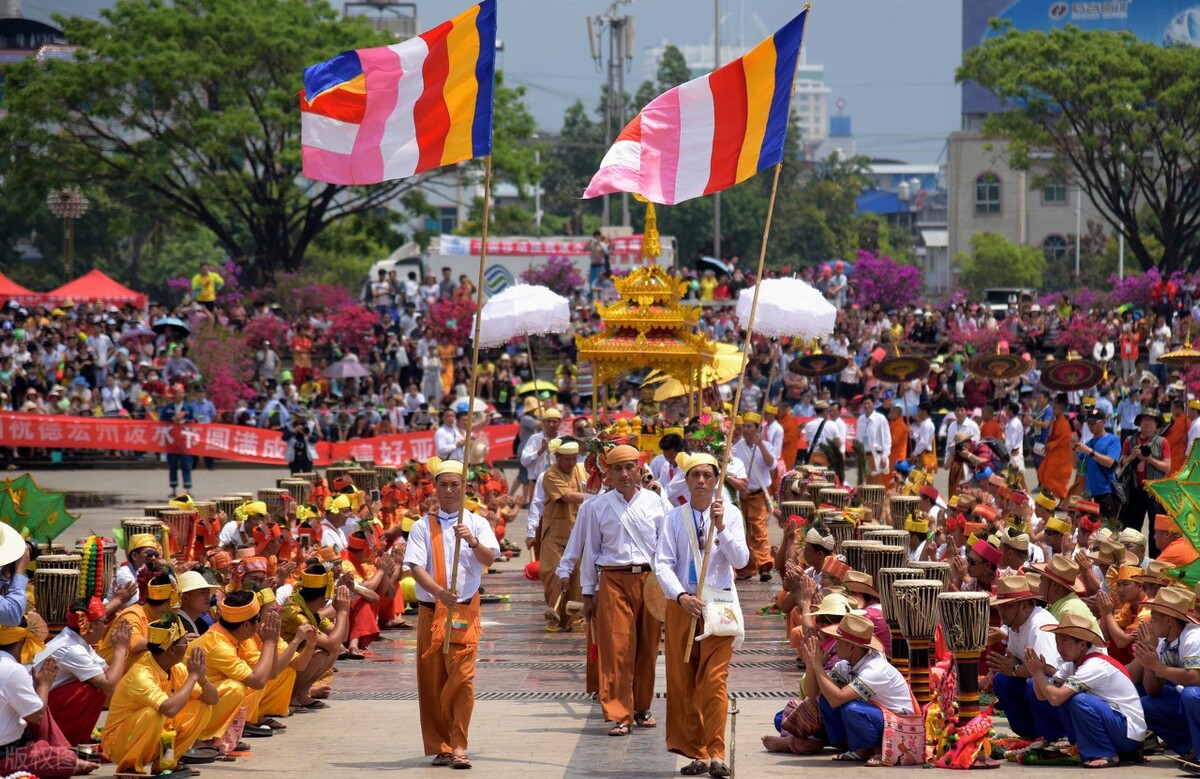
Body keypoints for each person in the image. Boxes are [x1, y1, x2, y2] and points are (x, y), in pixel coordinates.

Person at [655, 452, 749, 777]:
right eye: (696, 475)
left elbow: (740, 560)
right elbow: (663, 563)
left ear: (716, 480)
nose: (702, 481)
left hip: (718, 608)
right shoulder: (673, 518)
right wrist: (680, 595)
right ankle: (697, 752)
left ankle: (718, 753)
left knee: (714, 682)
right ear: (687, 479)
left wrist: (721, 527)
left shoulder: (731, 514)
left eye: (708, 475)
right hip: (683, 606)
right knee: (683, 684)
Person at [403, 457, 499, 770]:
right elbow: (415, 567)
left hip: (463, 612)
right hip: (432, 611)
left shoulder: (477, 522)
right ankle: (441, 745)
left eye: (454, 485)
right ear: (435, 487)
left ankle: (459, 745)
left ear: (464, 487)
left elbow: (490, 558)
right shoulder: (422, 526)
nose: (448, 490)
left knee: (463, 679)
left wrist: (470, 541)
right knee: (432, 681)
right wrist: (439, 592)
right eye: (443, 484)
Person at [579, 444, 668, 736]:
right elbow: (590, 550)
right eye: (617, 468)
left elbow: (667, 550)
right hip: (613, 579)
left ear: (640, 469)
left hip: (649, 580)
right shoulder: (597, 506)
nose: (624, 474)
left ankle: (641, 707)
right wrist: (587, 592)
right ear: (608, 473)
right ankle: (618, 713)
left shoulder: (657, 504)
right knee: (616, 647)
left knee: (647, 647)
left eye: (629, 467)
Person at [102, 613, 217, 776]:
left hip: (156, 735)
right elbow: (169, 709)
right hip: (119, 743)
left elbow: (213, 699)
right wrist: (193, 677)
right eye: (185, 643)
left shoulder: (176, 668)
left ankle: (165, 763)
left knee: (203, 706)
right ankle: (129, 769)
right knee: (153, 714)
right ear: (171, 649)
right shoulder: (141, 675)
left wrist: (202, 678)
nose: (188, 646)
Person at [1028, 613, 1146, 768]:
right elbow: (1043, 696)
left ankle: (1105, 753)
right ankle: (1081, 744)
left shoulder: (1094, 665)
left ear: (1082, 644)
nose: (1060, 648)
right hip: (1113, 724)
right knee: (1060, 693)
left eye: (1065, 643)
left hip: (1127, 733)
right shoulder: (1070, 665)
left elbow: (1055, 698)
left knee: (1079, 700)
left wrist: (1038, 674)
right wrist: (1038, 674)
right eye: (1058, 642)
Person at [799, 612, 916, 763]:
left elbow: (837, 699)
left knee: (852, 709)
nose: (835, 644)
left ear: (852, 647)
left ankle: (874, 749)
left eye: (839, 641)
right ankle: (854, 746)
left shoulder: (875, 669)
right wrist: (811, 665)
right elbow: (812, 692)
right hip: (878, 717)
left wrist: (818, 667)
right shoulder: (846, 665)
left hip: (898, 725)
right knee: (825, 701)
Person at [0, 620, 97, 778]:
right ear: (23, 641)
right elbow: (36, 716)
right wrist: (44, 685)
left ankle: (61, 751)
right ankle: (67, 757)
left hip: (14, 744)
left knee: (38, 705)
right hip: (6, 758)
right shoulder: (12, 669)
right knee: (64, 760)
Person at [185, 590, 281, 749]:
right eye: (258, 619)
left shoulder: (237, 637)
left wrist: (273, 642)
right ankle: (199, 738)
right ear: (246, 624)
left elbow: (271, 673)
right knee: (236, 688)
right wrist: (269, 643)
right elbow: (258, 681)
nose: (261, 623)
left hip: (203, 698)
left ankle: (221, 734)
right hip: (187, 706)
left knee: (250, 679)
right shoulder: (218, 644)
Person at [33, 597, 130, 746]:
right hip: (33, 715)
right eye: (104, 622)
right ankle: (64, 741)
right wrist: (120, 649)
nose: (107, 625)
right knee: (91, 690)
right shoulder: (72, 649)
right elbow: (108, 686)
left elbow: (108, 672)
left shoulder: (78, 641)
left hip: (44, 705)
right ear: (90, 626)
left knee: (96, 683)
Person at [986, 575, 1065, 744]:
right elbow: (1014, 656)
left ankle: (1056, 735)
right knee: (1002, 680)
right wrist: (1010, 667)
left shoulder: (1039, 625)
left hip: (1063, 688)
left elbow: (1049, 669)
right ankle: (1030, 732)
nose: (1002, 612)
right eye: (1000, 607)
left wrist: (1014, 670)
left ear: (1024, 606)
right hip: (1040, 680)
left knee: (1033, 683)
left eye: (1007, 606)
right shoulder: (1016, 624)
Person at [1130, 587, 1200, 757]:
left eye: (1154, 618)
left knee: (1191, 695)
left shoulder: (1193, 636)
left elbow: (1195, 677)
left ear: (1168, 620)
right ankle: (1190, 748)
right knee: (1147, 705)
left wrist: (1157, 667)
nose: (1150, 623)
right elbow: (1153, 690)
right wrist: (1148, 659)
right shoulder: (1162, 642)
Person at [537, 438, 587, 632]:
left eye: (574, 459)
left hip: (578, 534)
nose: (571, 463)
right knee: (552, 574)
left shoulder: (581, 470)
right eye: (567, 459)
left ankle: (573, 620)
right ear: (557, 457)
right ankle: (555, 615)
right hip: (554, 536)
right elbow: (568, 497)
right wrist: (596, 497)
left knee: (576, 580)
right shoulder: (550, 474)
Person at [731, 413, 775, 581]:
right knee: (742, 532)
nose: (746, 429)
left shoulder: (766, 446)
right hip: (742, 495)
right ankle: (746, 568)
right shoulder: (736, 448)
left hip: (758, 495)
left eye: (750, 426)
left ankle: (764, 565)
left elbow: (771, 464)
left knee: (759, 531)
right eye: (745, 426)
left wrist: (761, 446)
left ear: (758, 429)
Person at [98, 572, 175, 666]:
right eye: (179, 597)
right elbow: (133, 643)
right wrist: (171, 640)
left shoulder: (164, 619)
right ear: (170, 601)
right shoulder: (132, 614)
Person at [1118, 408, 1170, 548]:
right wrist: (1132, 457)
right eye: (1145, 420)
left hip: (1155, 491)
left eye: (1151, 421)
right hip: (1134, 489)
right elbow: (1121, 463)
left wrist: (1149, 459)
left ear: (1156, 424)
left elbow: (1167, 467)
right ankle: (1130, 560)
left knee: (1156, 529)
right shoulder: (1130, 440)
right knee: (1131, 528)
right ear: (1139, 423)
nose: (1148, 423)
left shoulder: (1162, 442)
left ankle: (1155, 562)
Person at [1073, 409, 1121, 519]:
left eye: (1093, 422)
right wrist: (1073, 448)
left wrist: (1090, 452)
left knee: (1106, 530)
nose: (1091, 426)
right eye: (1088, 423)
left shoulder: (1112, 440)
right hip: (1090, 495)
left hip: (1106, 492)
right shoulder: (1089, 443)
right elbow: (1075, 465)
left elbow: (1109, 462)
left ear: (1103, 421)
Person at [1037, 395, 1074, 501]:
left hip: (1061, 456)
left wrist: (1052, 444)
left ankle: (1062, 499)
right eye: (1053, 408)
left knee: (1053, 478)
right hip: (1053, 454)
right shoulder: (1055, 421)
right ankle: (1047, 498)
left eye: (1056, 409)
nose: (1053, 410)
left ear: (1062, 410)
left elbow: (1065, 438)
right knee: (1043, 473)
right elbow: (1051, 435)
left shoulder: (1064, 423)